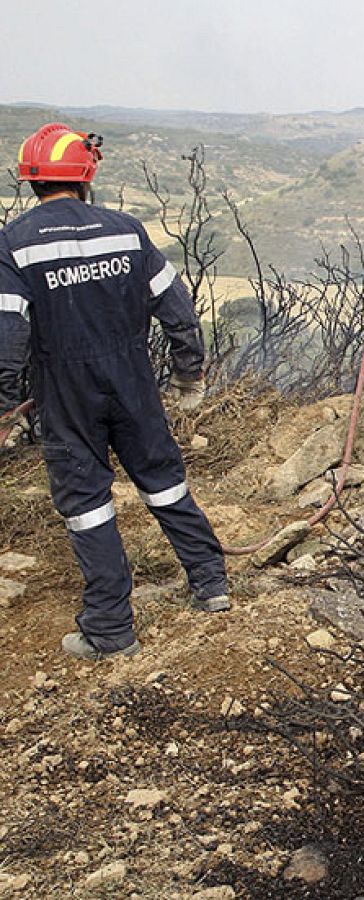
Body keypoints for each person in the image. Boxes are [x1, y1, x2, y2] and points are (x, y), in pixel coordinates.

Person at [0, 123, 231, 661]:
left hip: (65, 394)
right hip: (133, 382)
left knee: (86, 506)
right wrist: (187, 375)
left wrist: (7, 404)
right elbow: (177, 309)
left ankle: (110, 629)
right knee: (164, 482)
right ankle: (211, 583)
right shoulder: (126, 229)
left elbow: (8, 332)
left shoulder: (13, 244)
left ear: (31, 181)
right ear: (86, 176)